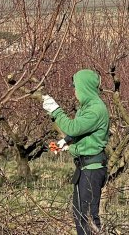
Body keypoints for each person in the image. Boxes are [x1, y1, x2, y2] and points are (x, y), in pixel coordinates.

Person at [41, 69, 109, 235]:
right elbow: (82, 132)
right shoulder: (86, 108)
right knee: (79, 214)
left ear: (85, 87)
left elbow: (73, 127)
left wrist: (55, 109)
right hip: (84, 168)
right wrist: (67, 142)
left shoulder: (96, 109)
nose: (74, 91)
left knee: (88, 217)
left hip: (92, 169)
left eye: (76, 87)